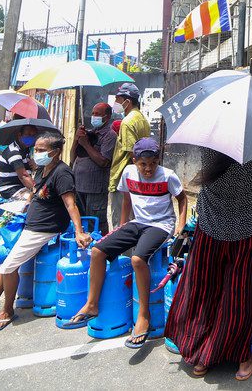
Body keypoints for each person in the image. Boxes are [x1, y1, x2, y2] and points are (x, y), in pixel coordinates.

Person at [65, 138, 188, 347]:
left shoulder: (168, 176)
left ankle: (144, 315)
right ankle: (92, 304)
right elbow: (127, 200)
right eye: (143, 164)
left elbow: (182, 199)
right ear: (134, 160)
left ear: (158, 161)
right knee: (97, 251)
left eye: (152, 164)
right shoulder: (129, 172)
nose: (148, 169)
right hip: (137, 222)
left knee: (138, 260)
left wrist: (181, 225)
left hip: (161, 225)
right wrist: (121, 227)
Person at [165, 148, 252, 381]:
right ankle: (243, 361)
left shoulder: (209, 143)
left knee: (204, 289)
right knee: (238, 293)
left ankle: (200, 358)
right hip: (245, 229)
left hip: (210, 229)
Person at [0, 133, 92, 333]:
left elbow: (70, 204)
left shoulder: (62, 173)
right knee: (6, 263)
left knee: (9, 266)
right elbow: (37, 193)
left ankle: (7, 311)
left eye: (40, 150)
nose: (35, 153)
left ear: (55, 152)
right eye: (35, 149)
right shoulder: (42, 170)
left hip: (44, 228)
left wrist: (79, 232)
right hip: (31, 224)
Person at [108, 83, 150, 229]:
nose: (116, 103)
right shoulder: (142, 119)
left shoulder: (127, 122)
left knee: (121, 223)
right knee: (134, 220)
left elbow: (133, 152)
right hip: (137, 179)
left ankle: (122, 252)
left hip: (124, 178)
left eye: (118, 99)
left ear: (128, 101)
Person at [72, 103, 117, 234]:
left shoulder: (110, 135)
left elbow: (103, 162)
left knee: (96, 224)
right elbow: (72, 157)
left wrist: (86, 144)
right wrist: (76, 140)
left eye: (97, 114)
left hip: (95, 189)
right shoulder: (88, 133)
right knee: (80, 223)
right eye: (93, 113)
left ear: (107, 117)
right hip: (79, 186)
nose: (94, 116)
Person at [0, 124, 38, 198]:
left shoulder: (26, 150)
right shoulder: (14, 153)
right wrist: (38, 192)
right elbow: (23, 176)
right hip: (10, 189)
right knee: (36, 200)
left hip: (21, 186)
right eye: (27, 135)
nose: (30, 138)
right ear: (19, 135)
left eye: (33, 135)